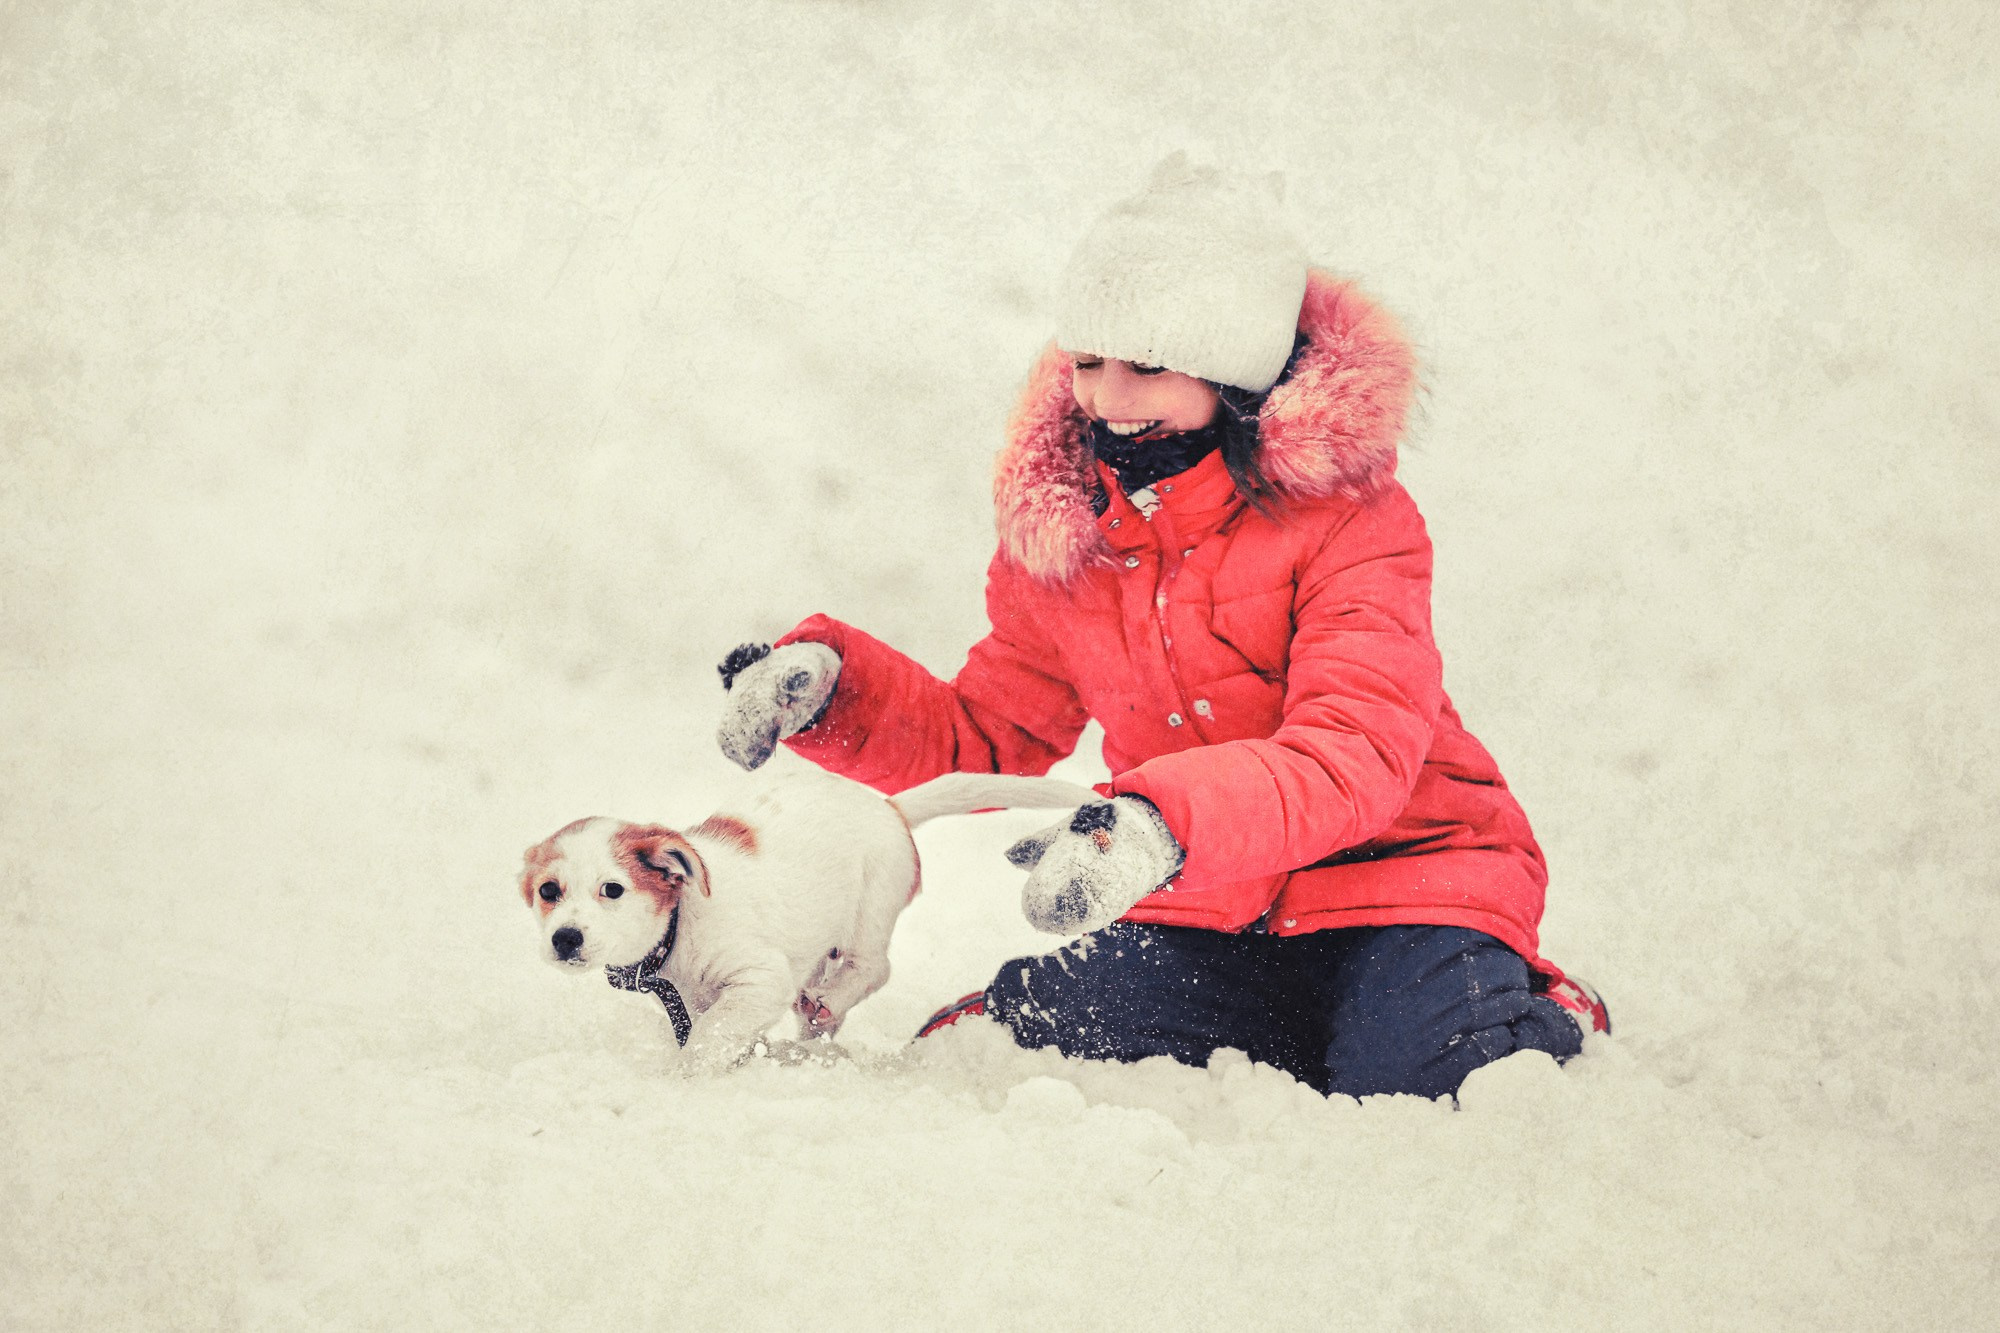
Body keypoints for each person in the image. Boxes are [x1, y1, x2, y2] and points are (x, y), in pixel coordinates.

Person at [714, 153, 1609, 1100]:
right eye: (1087, 362)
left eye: (1147, 365)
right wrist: (835, 695)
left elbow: (1354, 753)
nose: (1108, 397)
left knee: (1420, 1071)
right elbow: (992, 733)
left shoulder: (1352, 522)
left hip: (1408, 878)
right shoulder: (1071, 538)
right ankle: (1307, 1019)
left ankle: (1530, 1003)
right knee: (1034, 1033)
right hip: (1217, 904)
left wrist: (1159, 824)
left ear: (1235, 372)